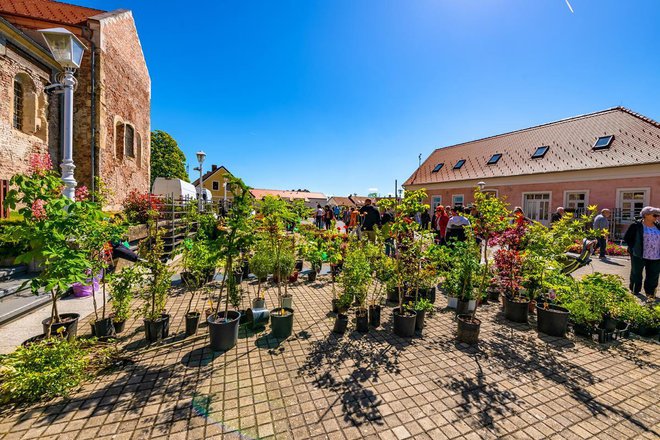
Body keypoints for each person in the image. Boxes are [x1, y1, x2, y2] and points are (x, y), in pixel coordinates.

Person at [624, 206, 660, 301]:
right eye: (655, 215)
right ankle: (635, 291)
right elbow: (627, 238)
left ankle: (650, 293)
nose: (657, 217)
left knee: (654, 275)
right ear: (646, 215)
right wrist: (634, 249)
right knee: (636, 273)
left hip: (656, 255)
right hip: (639, 254)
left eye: (658, 215)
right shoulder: (636, 226)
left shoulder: (658, 226)